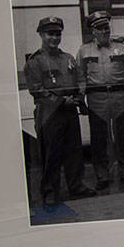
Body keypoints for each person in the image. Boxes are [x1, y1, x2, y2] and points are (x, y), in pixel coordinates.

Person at [24, 15, 93, 210]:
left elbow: (80, 77)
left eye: (57, 34)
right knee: (51, 154)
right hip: (50, 113)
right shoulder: (35, 61)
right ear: (41, 35)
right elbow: (36, 89)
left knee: (74, 151)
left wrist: (79, 96)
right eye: (50, 34)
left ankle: (76, 186)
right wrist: (62, 101)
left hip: (70, 111)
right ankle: (50, 192)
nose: (54, 38)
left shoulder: (68, 58)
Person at [76, 10, 124, 189]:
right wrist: (81, 99)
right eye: (99, 29)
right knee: (99, 140)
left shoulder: (121, 48)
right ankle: (102, 176)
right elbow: (80, 76)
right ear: (93, 31)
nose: (104, 32)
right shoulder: (84, 51)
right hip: (97, 99)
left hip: (120, 97)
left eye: (106, 28)